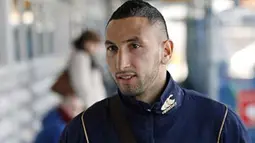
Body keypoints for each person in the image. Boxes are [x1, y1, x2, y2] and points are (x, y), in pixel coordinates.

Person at [59, 1, 251, 143]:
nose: (121, 63)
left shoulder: (219, 125)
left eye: (134, 46)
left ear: (166, 52)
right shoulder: (83, 131)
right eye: (112, 49)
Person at [34, 30, 106, 143]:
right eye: (94, 44)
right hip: (83, 104)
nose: (96, 48)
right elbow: (82, 84)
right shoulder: (80, 57)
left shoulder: (86, 57)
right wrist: (90, 107)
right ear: (87, 42)